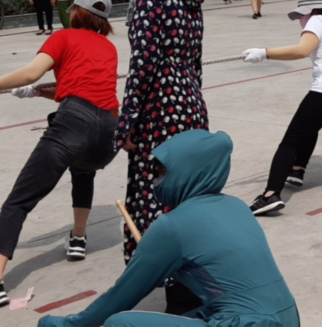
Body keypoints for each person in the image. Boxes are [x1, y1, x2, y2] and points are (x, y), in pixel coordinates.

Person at [0, 0, 119, 308]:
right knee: (83, 171)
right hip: (109, 132)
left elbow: (31, 72)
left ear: (76, 12)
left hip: (74, 125)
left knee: (18, 202)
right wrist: (38, 92)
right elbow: (84, 89)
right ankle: (79, 238)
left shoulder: (64, 36)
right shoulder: (108, 47)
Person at [37, 130, 299, 327]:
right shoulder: (237, 206)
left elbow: (120, 297)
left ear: (188, 172)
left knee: (120, 323)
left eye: (163, 172)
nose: (156, 180)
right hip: (287, 317)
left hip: (247, 323)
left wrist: (66, 324)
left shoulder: (173, 225)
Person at [113, 0, 209, 315]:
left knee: (157, 198)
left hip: (160, 107)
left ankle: (180, 302)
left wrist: (127, 122)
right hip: (190, 103)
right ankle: (193, 290)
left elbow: (144, 60)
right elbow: (196, 59)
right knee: (186, 197)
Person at [241, 0, 322, 215]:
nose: (301, 20)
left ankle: (270, 195)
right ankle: (297, 169)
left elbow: (302, 50)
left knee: (289, 143)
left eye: (301, 15)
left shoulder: (317, 19)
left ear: (314, 10)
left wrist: (265, 53)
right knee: (310, 125)